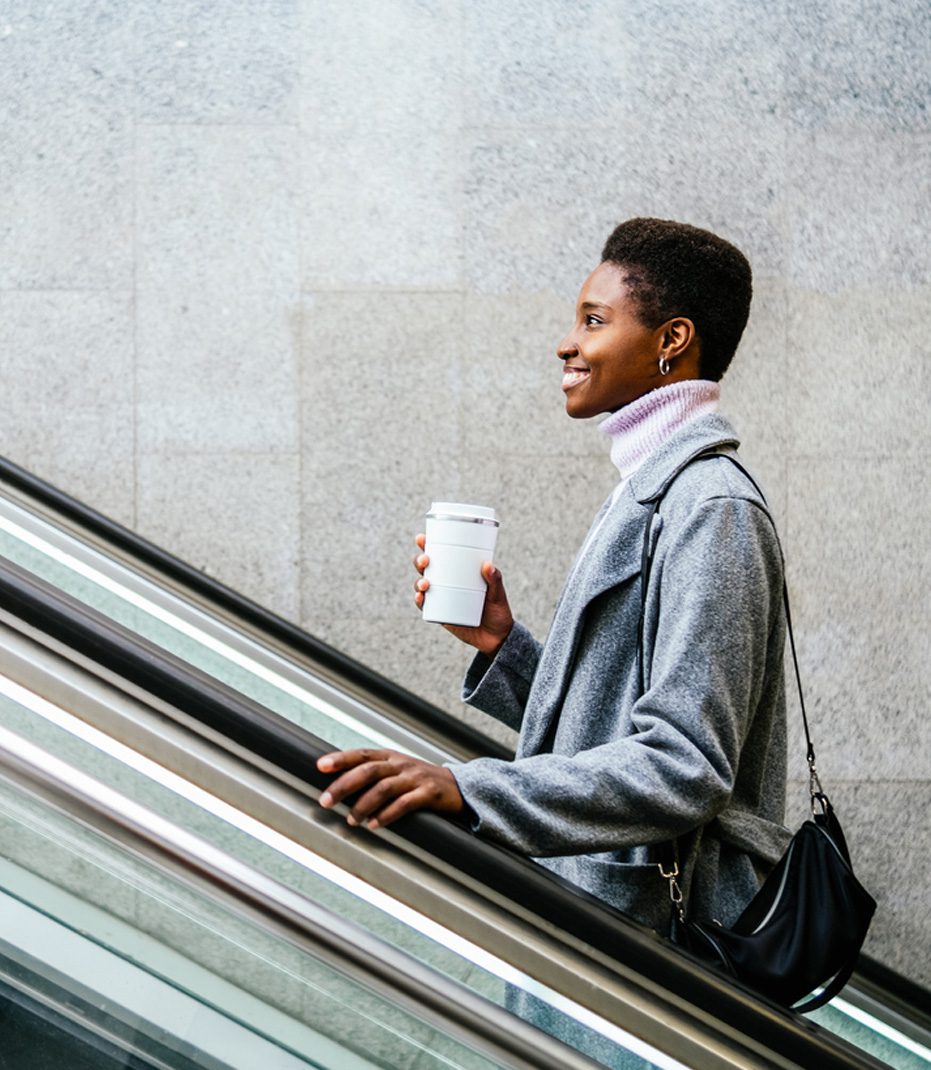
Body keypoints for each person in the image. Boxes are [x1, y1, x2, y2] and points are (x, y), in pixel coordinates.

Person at [317, 217, 790, 935]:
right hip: (609, 910)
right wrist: (502, 647)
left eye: (593, 321)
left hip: (658, 940)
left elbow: (685, 765)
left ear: (671, 341)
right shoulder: (652, 488)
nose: (566, 343)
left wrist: (467, 788)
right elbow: (615, 720)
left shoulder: (708, 508)